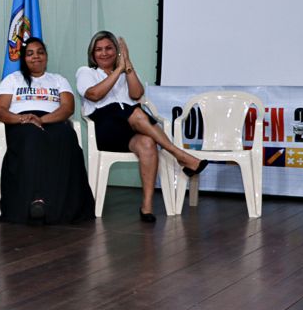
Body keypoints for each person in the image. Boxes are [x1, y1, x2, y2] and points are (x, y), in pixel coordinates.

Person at [76, 30, 207, 223]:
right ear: (92, 54)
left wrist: (127, 67)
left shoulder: (124, 71)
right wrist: (118, 70)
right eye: (99, 50)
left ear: (117, 52)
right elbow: (94, 95)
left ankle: (146, 206)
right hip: (105, 129)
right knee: (136, 112)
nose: (104, 53)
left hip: (131, 129)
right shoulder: (85, 72)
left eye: (109, 48)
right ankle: (179, 154)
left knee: (147, 142)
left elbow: (137, 94)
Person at [0, 37, 94, 225]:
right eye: (30, 54)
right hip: (21, 123)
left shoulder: (58, 80)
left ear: (46, 56)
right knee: (32, 137)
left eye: (40, 52)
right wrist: (23, 119)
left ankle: (62, 206)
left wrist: (41, 120)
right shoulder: (12, 80)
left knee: (66, 136)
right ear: (23, 58)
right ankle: (35, 201)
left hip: (52, 119)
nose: (36, 57)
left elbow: (67, 108)